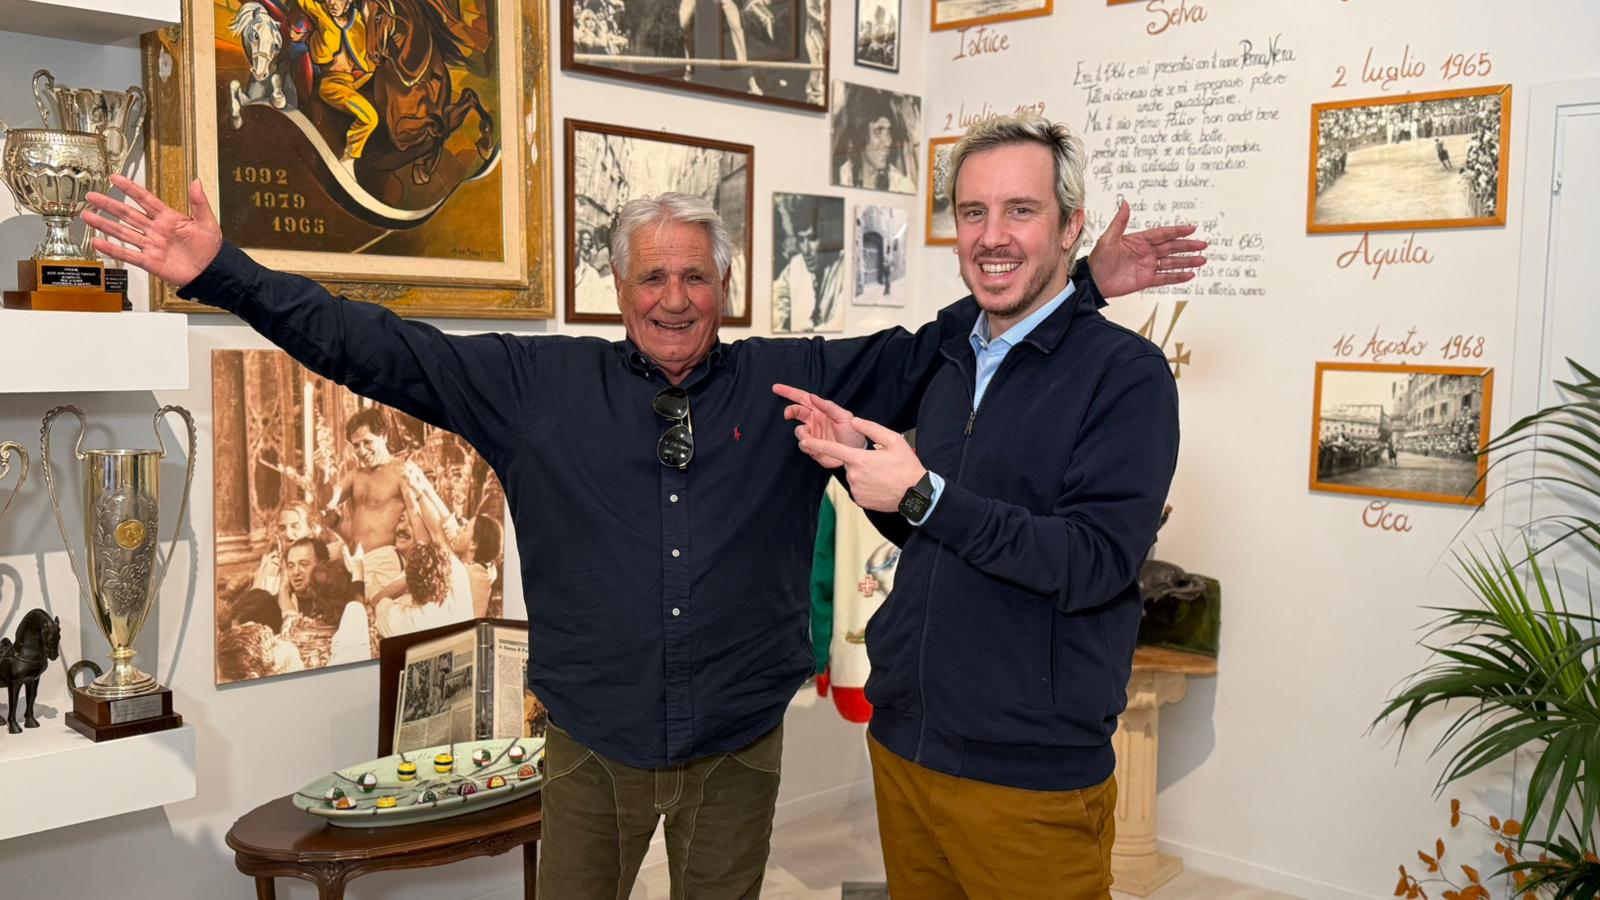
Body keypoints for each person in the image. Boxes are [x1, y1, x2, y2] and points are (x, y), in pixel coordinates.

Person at [83, 169, 1201, 899]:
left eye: (696, 277)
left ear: (728, 287)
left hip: (735, 744)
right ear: (615, 286)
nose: (675, 298)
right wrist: (221, 273)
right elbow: (367, 343)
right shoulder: (533, 386)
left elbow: (953, 337)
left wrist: (1080, 285)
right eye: (652, 275)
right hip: (590, 744)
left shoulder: (791, 382)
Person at [777, 114, 1182, 899]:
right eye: (973, 212)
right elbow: (941, 536)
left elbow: (1093, 562)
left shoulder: (1127, 375)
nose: (992, 236)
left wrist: (925, 495)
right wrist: (867, 474)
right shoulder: (954, 354)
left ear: (1070, 226)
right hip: (904, 746)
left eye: (1020, 210)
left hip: (1028, 778)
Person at [773, 208, 844, 332]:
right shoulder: (795, 265)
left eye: (812, 238)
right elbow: (776, 304)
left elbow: (840, 325)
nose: (805, 250)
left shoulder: (844, 268)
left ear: (827, 237)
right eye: (801, 240)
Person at [836, 89, 914, 192]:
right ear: (861, 135)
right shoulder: (841, 178)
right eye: (879, 131)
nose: (888, 142)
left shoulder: (900, 185)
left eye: (888, 132)